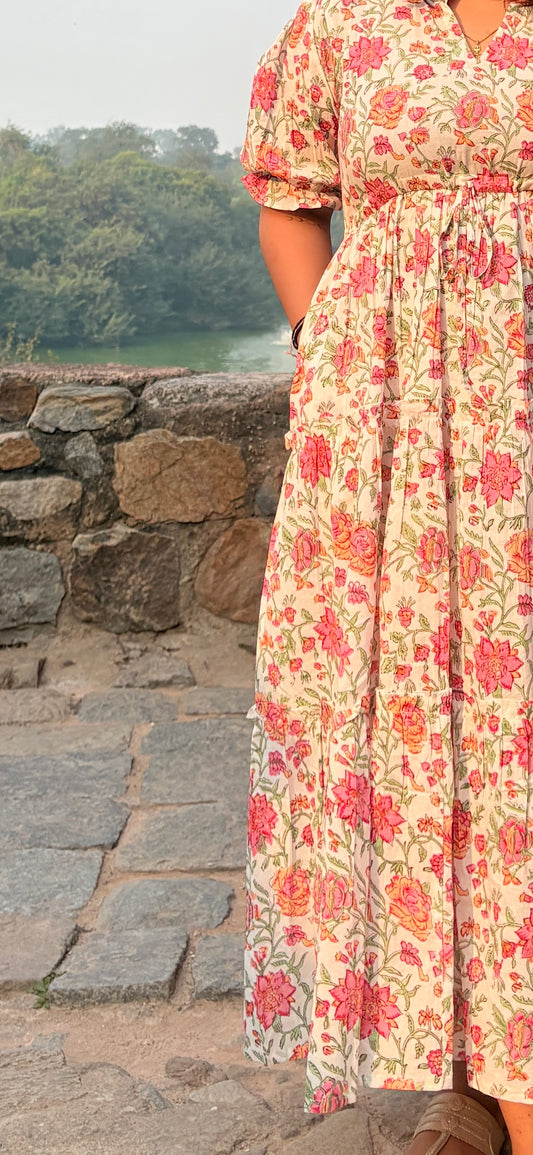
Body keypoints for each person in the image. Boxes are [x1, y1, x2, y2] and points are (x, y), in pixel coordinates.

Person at [239, 0, 533, 1151]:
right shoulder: (344, 21)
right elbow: (288, 199)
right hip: (384, 420)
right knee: (411, 723)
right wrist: (331, 355)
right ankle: (461, 1062)